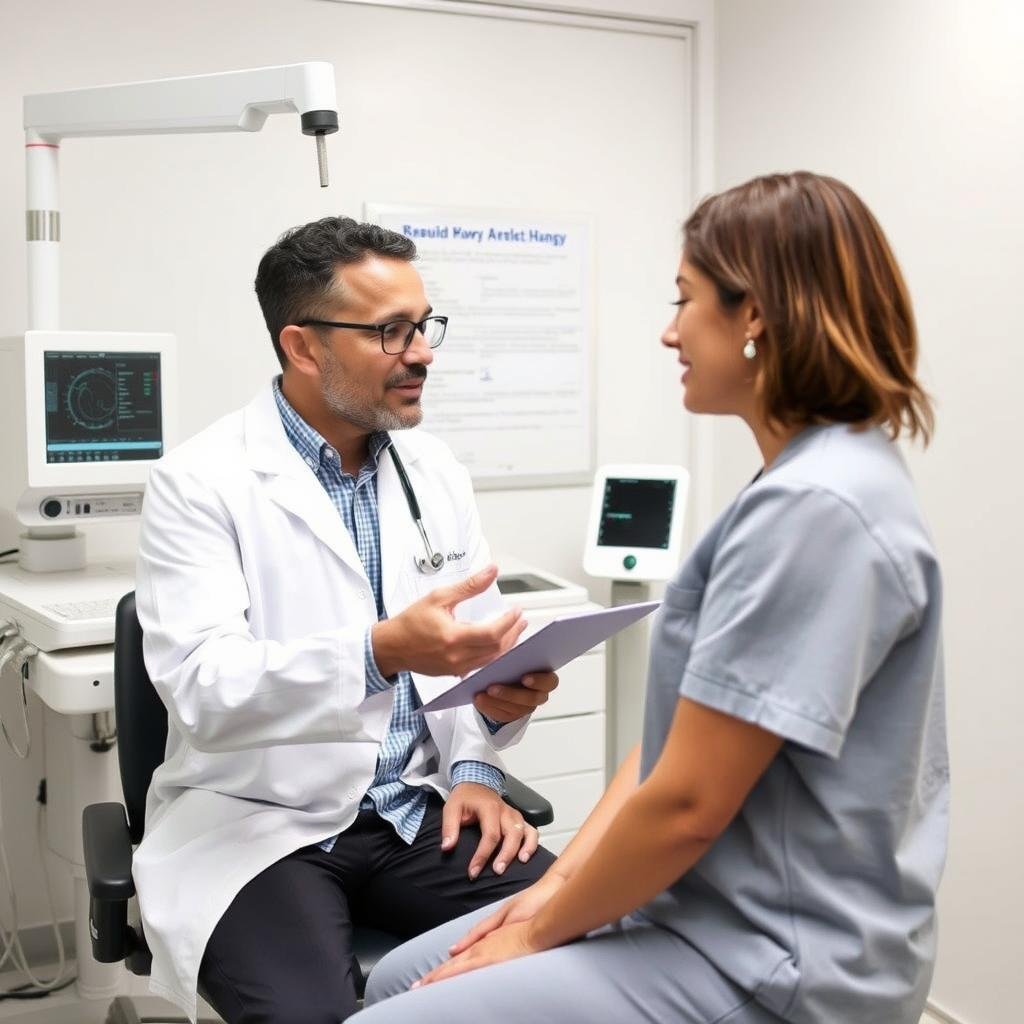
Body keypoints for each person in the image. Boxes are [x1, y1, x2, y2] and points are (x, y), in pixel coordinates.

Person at [352, 172, 949, 1024]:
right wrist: (554, 887)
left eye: (686, 301)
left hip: (775, 957)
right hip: (703, 910)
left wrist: (539, 931)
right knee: (394, 976)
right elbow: (668, 750)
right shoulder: (797, 480)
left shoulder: (817, 509)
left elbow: (687, 804)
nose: (670, 333)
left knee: (391, 1008)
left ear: (756, 317)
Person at [131, 217, 559, 1023]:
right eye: (391, 331)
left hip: (415, 808)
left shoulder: (433, 470)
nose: (424, 352)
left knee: (584, 930)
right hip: (262, 824)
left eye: (424, 325)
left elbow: (477, 659)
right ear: (302, 347)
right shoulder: (199, 483)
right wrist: (381, 651)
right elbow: (204, 691)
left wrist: (479, 756)